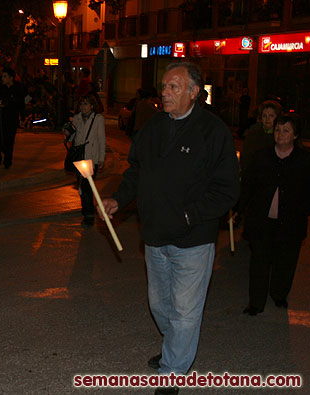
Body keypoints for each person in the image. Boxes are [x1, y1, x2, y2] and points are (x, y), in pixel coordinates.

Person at [101, 62, 239, 395]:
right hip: (154, 236)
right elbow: (135, 171)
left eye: (173, 87)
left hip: (194, 240)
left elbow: (227, 190)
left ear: (195, 92)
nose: (164, 92)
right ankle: (174, 348)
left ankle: (173, 370)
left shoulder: (213, 132)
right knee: (160, 306)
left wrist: (191, 216)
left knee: (185, 310)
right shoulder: (152, 128)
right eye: (164, 86)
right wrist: (119, 199)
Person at [237, 114, 310, 316]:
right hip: (262, 221)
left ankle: (279, 294)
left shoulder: (305, 161)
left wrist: (303, 210)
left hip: (290, 223)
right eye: (278, 130)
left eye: (286, 130)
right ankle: (256, 302)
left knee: (285, 262)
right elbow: (248, 186)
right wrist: (238, 209)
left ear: (295, 135)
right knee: (259, 262)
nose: (280, 134)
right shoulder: (262, 156)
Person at [64, 95, 106, 226]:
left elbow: (101, 139)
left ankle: (88, 215)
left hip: (90, 157)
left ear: (92, 106)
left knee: (87, 187)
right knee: (81, 186)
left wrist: (101, 158)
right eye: (81, 104)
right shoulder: (76, 118)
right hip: (79, 157)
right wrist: (67, 132)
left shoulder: (97, 119)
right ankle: (86, 210)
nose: (83, 107)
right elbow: (72, 138)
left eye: (86, 104)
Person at [239, 100, 281, 179]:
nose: (267, 119)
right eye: (264, 116)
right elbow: (246, 158)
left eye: (271, 116)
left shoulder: (281, 135)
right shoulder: (253, 133)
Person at [0, 67, 24, 169]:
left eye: (5, 76)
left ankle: (8, 160)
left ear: (11, 78)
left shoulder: (17, 88)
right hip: (1, 118)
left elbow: (20, 103)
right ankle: (0, 158)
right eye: (2, 76)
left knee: (9, 140)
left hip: (12, 118)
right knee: (0, 139)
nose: (3, 78)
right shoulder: (0, 88)